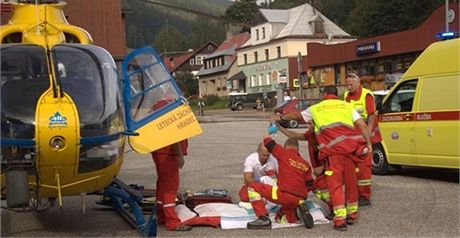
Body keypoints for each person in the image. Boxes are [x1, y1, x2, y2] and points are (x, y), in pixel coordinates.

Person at [273, 85, 372, 231]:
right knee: (351, 184)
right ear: (336, 94)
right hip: (351, 152)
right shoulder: (346, 106)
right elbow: (362, 125)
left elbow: (295, 115)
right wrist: (369, 144)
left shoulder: (317, 108)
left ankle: (340, 220)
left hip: (334, 154)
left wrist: (280, 118)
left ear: (324, 93)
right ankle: (352, 215)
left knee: (336, 186)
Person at [246, 137, 314, 230]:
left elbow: (269, 143)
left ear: (285, 146)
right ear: (298, 149)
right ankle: (295, 212)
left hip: (284, 195)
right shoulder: (306, 164)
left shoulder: (283, 153)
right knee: (281, 217)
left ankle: (263, 218)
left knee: (252, 187)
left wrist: (267, 135)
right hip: (300, 198)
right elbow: (310, 184)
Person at [150, 94, 191, 232]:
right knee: (170, 186)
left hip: (158, 150)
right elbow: (173, 133)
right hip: (168, 152)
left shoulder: (159, 104)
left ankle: (161, 215)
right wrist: (179, 154)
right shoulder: (170, 105)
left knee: (162, 184)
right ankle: (172, 221)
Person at [276, 122, 331, 214]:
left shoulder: (323, 137)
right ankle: (333, 206)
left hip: (326, 171)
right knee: (317, 189)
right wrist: (279, 127)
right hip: (318, 173)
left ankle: (337, 208)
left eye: (310, 124)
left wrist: (322, 168)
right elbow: (293, 135)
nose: (307, 126)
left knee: (324, 189)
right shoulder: (310, 135)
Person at [344, 72, 382, 206]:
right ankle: (357, 193)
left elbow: (371, 116)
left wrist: (368, 135)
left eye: (351, 84)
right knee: (355, 167)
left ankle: (365, 196)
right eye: (347, 84)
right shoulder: (346, 96)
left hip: (366, 133)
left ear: (358, 83)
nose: (349, 87)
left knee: (364, 167)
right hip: (355, 134)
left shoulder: (366, 95)